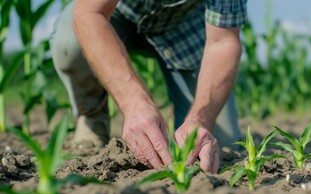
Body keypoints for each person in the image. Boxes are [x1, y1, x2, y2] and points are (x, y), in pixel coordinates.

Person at [51, 0, 248, 174]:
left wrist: (201, 120)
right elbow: (88, 15)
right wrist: (135, 104)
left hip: (184, 26)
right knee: (71, 42)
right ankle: (92, 115)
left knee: (219, 143)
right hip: (118, 12)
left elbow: (223, 41)